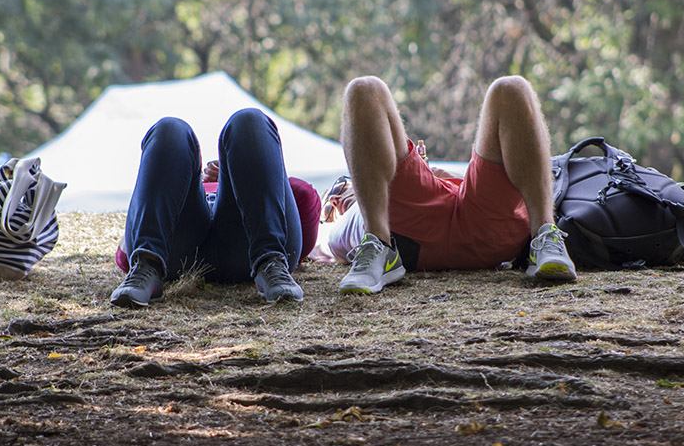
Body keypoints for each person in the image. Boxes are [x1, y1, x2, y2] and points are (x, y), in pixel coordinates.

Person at [332, 74, 576, 294]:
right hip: (408, 232)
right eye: (338, 190)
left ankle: (545, 236)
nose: (344, 186)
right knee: (362, 89)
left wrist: (438, 174)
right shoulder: (344, 223)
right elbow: (332, 242)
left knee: (511, 87)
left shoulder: (376, 190)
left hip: (476, 219)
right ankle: (379, 245)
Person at [110, 108, 320, 308]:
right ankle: (147, 264)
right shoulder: (173, 190)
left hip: (249, 242)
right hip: (177, 250)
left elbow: (305, 196)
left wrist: (244, 179)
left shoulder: (248, 180)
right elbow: (123, 256)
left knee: (249, 121)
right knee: (170, 129)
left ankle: (271, 262)